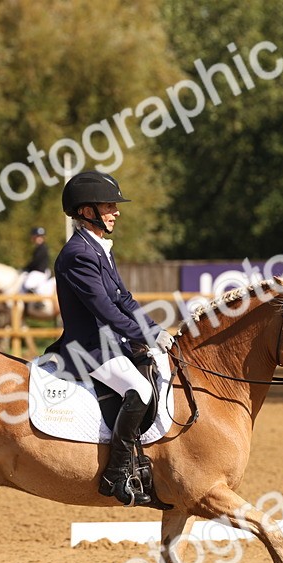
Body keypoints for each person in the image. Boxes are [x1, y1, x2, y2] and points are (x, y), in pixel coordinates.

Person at [46, 170, 173, 507]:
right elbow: (105, 311)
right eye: (109, 206)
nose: (116, 212)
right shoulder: (78, 254)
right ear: (87, 211)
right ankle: (117, 472)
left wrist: (155, 329)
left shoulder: (98, 248)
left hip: (109, 343)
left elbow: (124, 300)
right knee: (141, 389)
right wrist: (143, 335)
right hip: (89, 349)